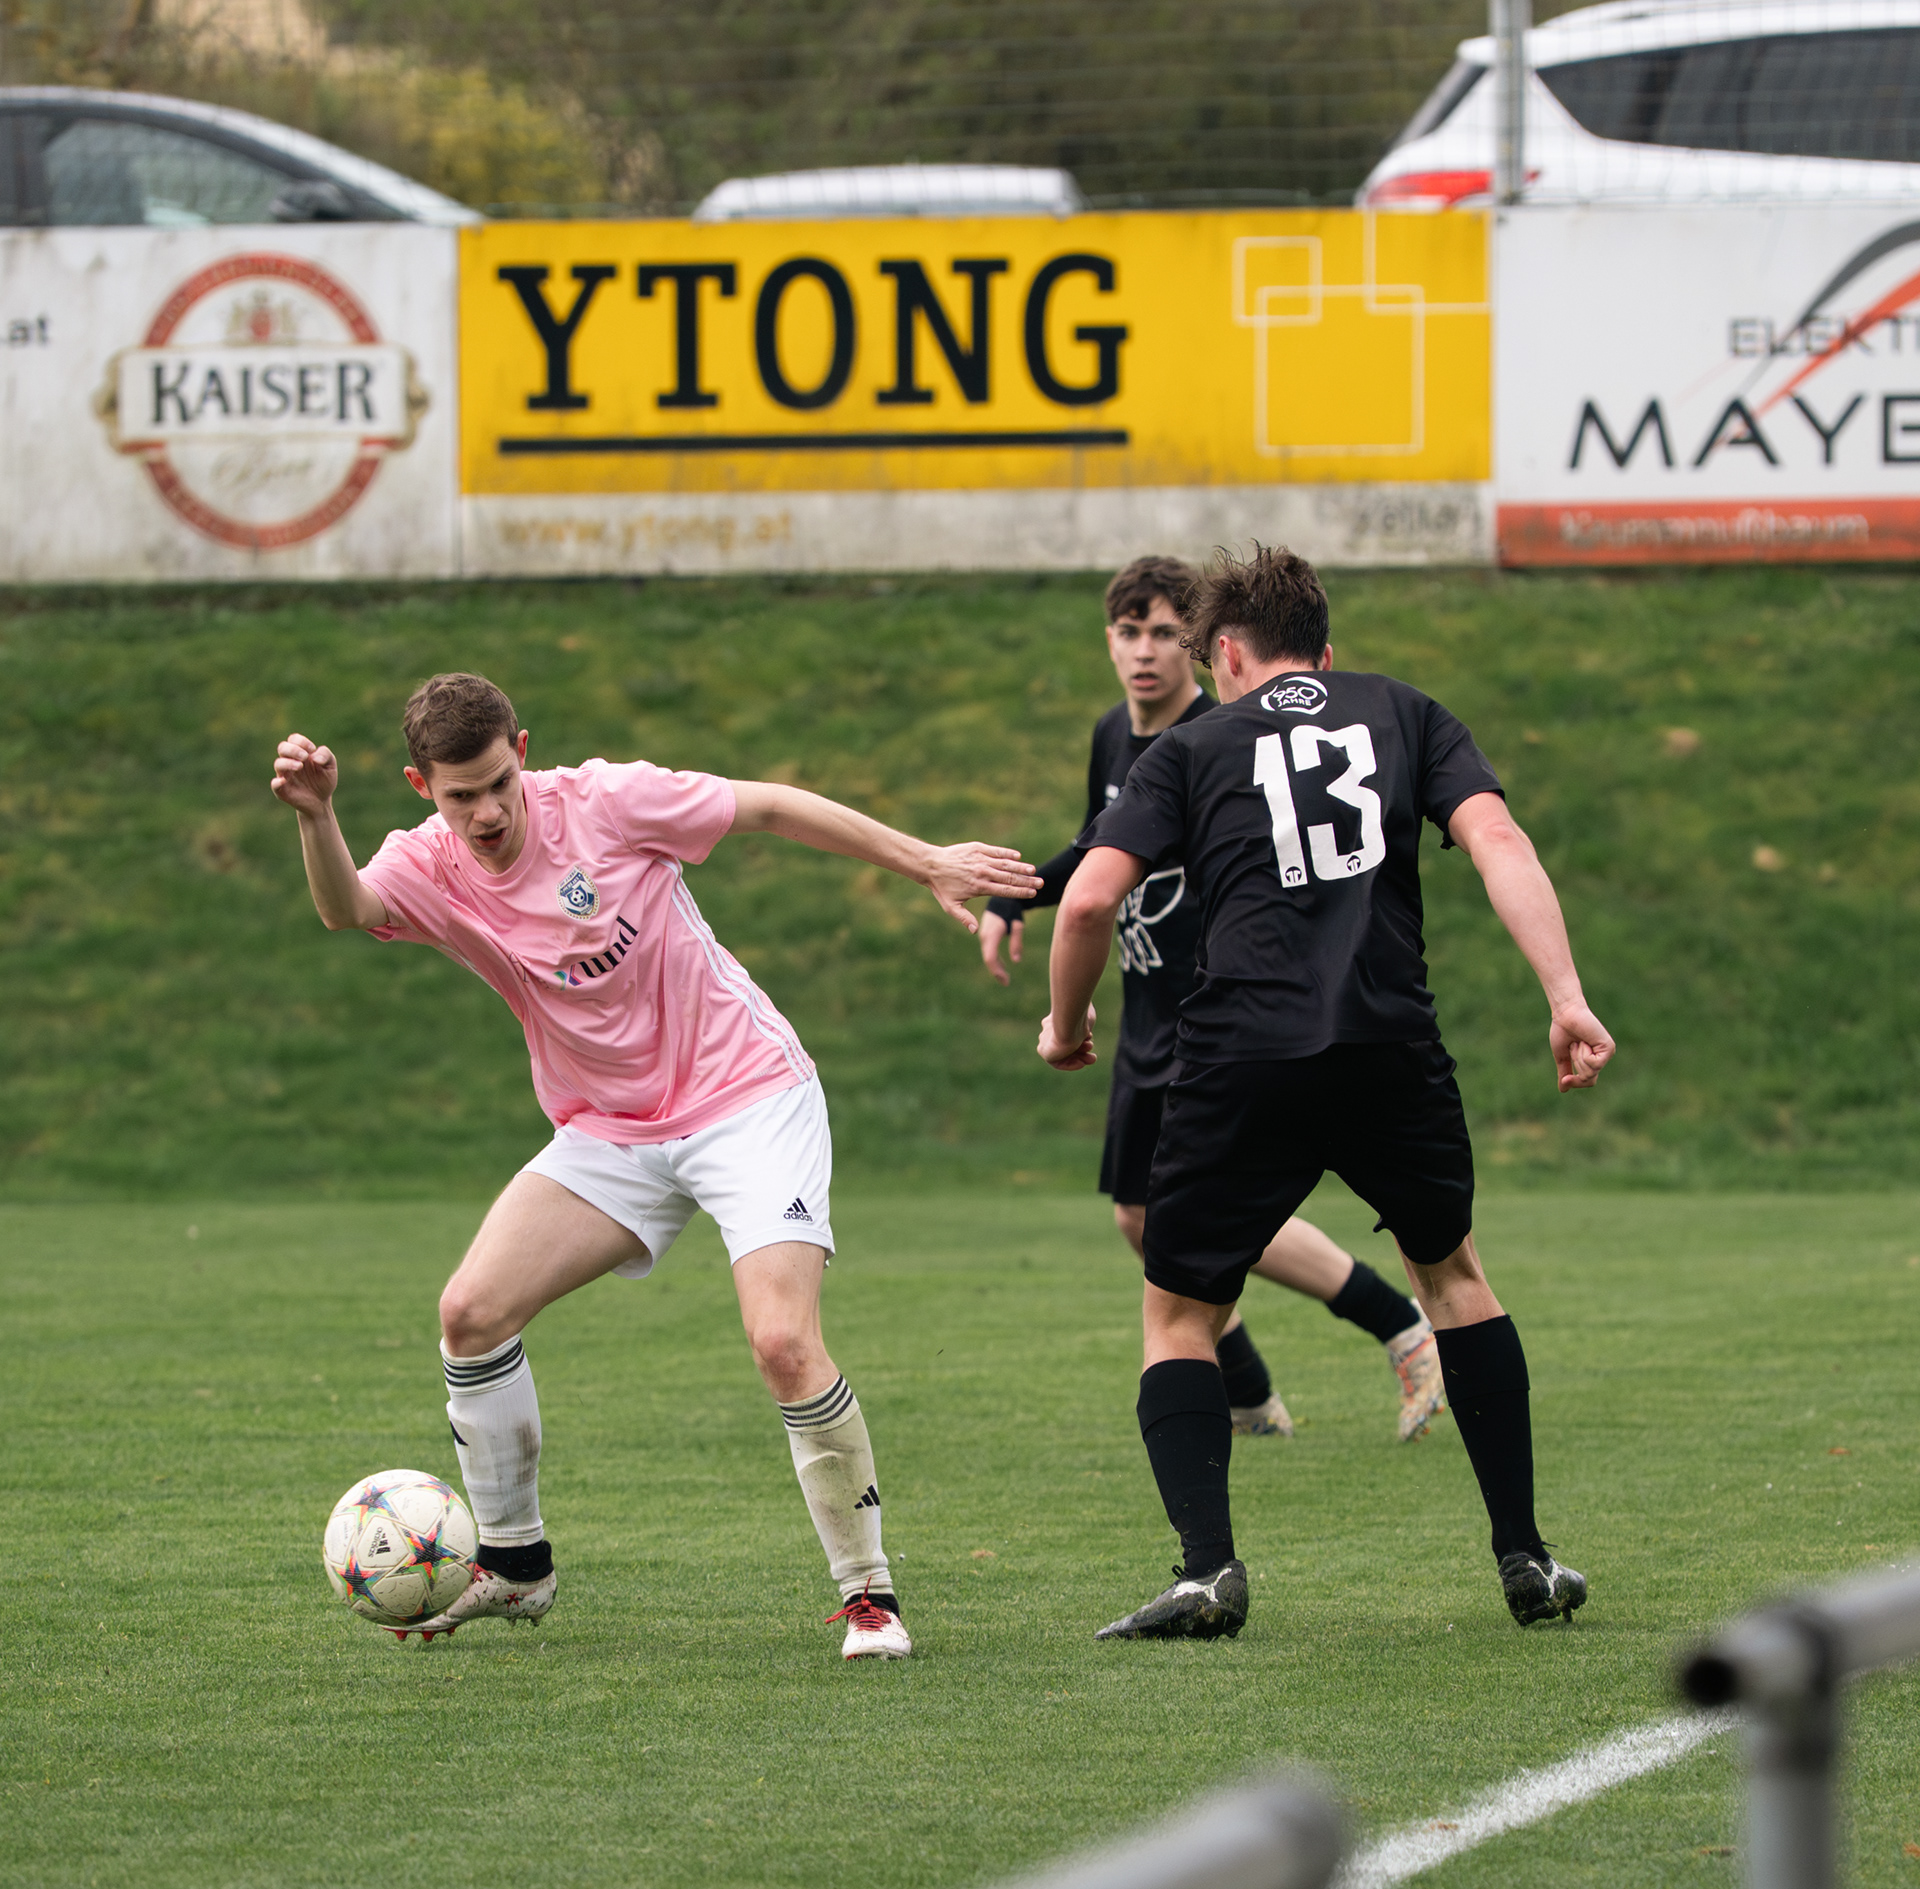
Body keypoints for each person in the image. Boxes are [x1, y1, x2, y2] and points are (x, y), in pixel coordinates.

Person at [271, 672, 1039, 1660]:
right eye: (462, 796)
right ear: (423, 787)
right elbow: (347, 907)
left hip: (747, 1096)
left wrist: (924, 859)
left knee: (782, 1342)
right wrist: (317, 816)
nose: (489, 811)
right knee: (471, 1312)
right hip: (612, 1130)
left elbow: (767, 806)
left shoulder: (607, 801)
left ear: (523, 751)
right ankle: (515, 1565)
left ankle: (869, 1597)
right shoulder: (429, 862)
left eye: (501, 782)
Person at [1038, 544, 1614, 1643]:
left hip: (1239, 1056)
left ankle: (1207, 1574)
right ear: (1326, 652)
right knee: (1455, 1279)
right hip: (1389, 1043)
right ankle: (1527, 1558)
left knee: (1179, 1313)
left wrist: (1066, 1027)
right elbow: (1498, 840)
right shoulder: (1406, 711)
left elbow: (1087, 903)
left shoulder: (1190, 746)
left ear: (1225, 655)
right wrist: (1566, 996)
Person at [979, 555, 1444, 1442]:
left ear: (1205, 649)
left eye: (1165, 634)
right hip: (1145, 1007)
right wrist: (1016, 895)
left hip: (1219, 1011)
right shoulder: (1114, 737)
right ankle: (1252, 1392)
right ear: (1109, 641)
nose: (1145, 651)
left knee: (1211, 1217)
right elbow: (1095, 853)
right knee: (1140, 1217)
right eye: (1130, 632)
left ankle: (1396, 1327)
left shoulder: (1219, 733)